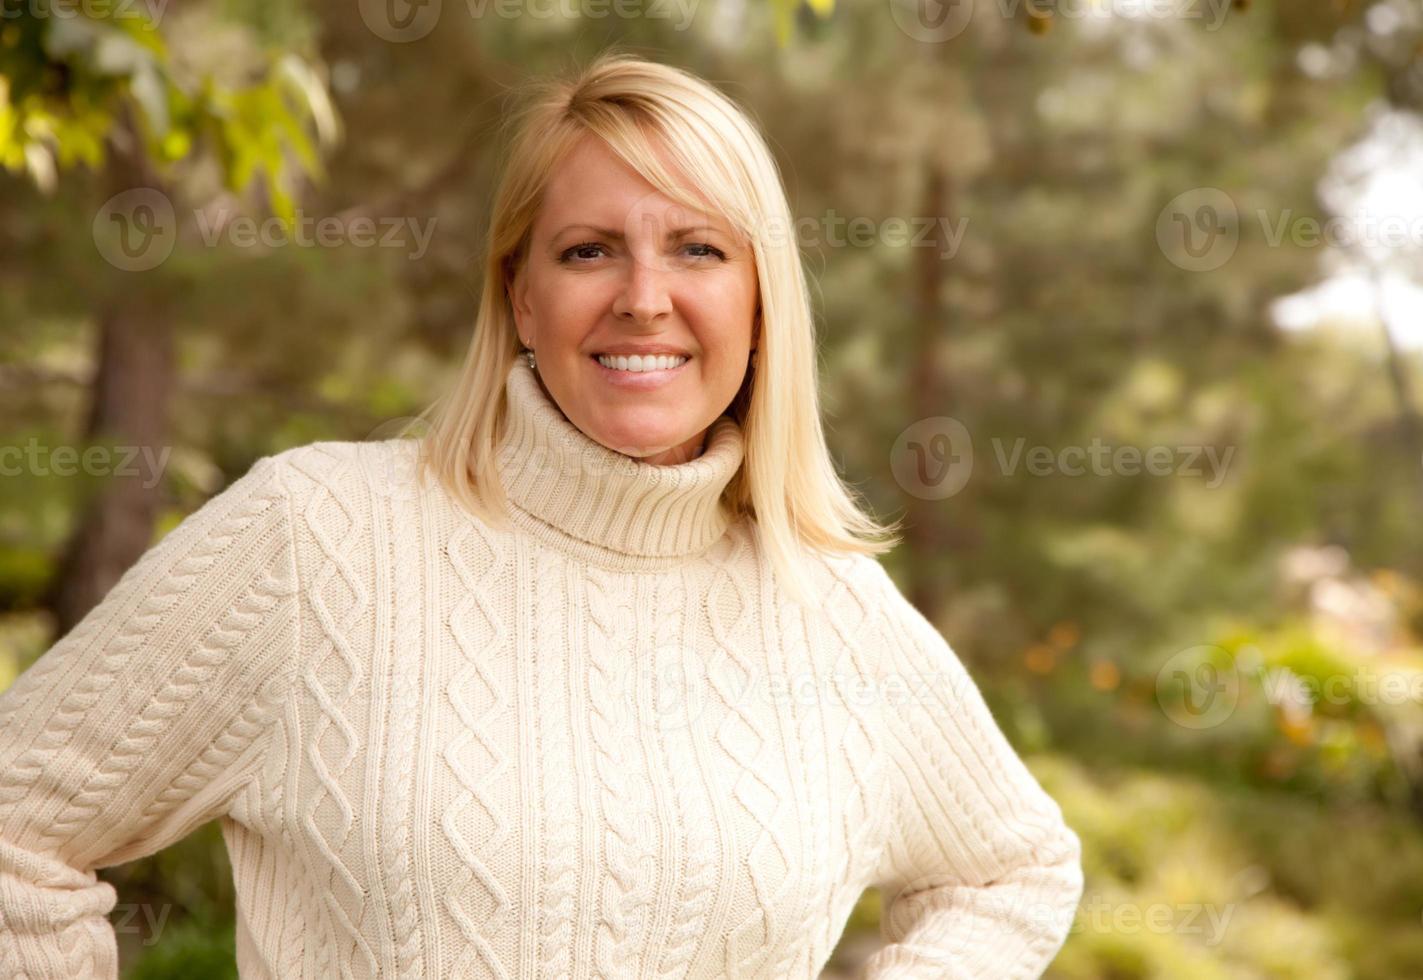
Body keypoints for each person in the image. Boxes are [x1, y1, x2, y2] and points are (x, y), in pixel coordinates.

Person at [0, 51, 1083, 979]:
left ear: (762, 301)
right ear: (521, 295)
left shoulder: (828, 604)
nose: (644, 296)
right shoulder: (316, 534)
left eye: (698, 248)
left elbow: (1013, 867)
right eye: (587, 249)